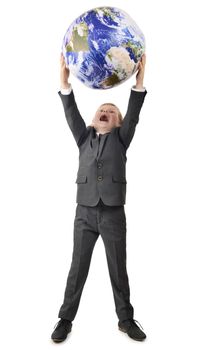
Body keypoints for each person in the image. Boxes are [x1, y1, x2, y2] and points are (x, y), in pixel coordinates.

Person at [51, 53, 147, 342]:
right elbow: (71, 113)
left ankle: (126, 319)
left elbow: (133, 112)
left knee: (118, 267)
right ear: (94, 120)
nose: (105, 110)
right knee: (77, 267)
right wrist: (64, 83)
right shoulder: (84, 138)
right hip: (84, 212)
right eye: (101, 109)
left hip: (113, 213)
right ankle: (65, 320)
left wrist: (139, 81)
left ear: (118, 123)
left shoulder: (121, 138)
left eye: (111, 111)